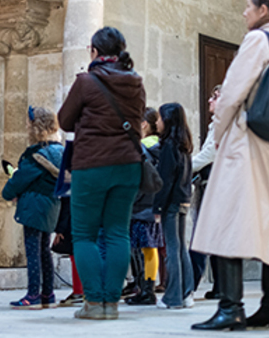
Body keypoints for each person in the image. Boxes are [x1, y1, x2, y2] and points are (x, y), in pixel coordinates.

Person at [191, 0, 269, 331]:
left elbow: (231, 93)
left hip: (246, 145)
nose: (244, 13)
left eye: (247, 7)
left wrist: (219, 134)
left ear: (263, 9)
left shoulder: (256, 41)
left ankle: (230, 307)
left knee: (224, 220)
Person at [58, 26, 146, 320]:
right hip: (128, 166)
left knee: (84, 235)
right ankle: (111, 304)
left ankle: (94, 303)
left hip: (91, 165)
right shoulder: (136, 82)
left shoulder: (86, 81)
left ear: (94, 52)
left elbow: (64, 120)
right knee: (118, 233)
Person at [2, 106, 63, 310]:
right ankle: (48, 292)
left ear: (37, 127)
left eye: (29, 123)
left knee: (33, 251)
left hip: (34, 206)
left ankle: (33, 293)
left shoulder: (37, 155)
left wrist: (8, 193)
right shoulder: (59, 151)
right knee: (44, 250)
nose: (26, 126)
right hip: (51, 205)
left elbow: (20, 179)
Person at [153, 103, 194, 310]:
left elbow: (165, 180)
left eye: (159, 118)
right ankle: (187, 293)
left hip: (170, 203)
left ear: (167, 120)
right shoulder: (184, 144)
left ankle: (173, 297)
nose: (156, 122)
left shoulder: (168, 146)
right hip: (183, 199)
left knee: (171, 249)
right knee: (180, 248)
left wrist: (158, 207)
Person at [126, 108, 163, 306]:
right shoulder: (161, 146)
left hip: (139, 204)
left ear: (143, 125)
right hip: (155, 203)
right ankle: (148, 288)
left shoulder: (140, 147)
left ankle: (144, 290)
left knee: (138, 249)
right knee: (150, 248)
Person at [190, 86, 221, 299]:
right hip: (214, 182)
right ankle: (221, 286)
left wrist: (187, 166)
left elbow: (209, 153)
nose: (210, 100)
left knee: (202, 236)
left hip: (217, 184)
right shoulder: (217, 124)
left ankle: (189, 285)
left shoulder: (221, 123)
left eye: (215, 97)